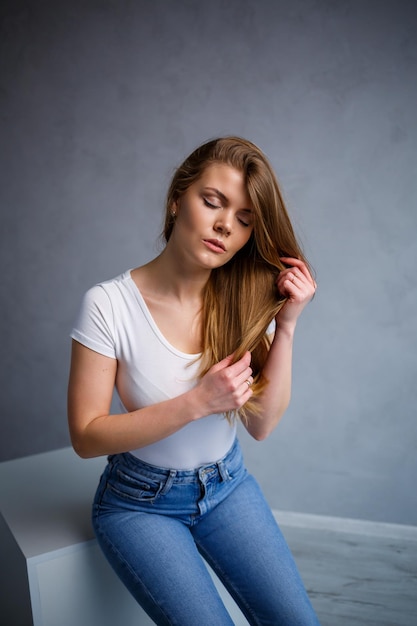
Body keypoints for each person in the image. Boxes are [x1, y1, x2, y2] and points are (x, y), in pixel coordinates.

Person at [67, 136, 320, 625]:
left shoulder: (244, 299)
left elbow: (262, 426)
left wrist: (287, 325)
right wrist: (197, 402)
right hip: (140, 506)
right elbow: (86, 436)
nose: (226, 225)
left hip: (227, 487)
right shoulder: (108, 304)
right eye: (213, 202)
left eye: (245, 220)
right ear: (177, 198)